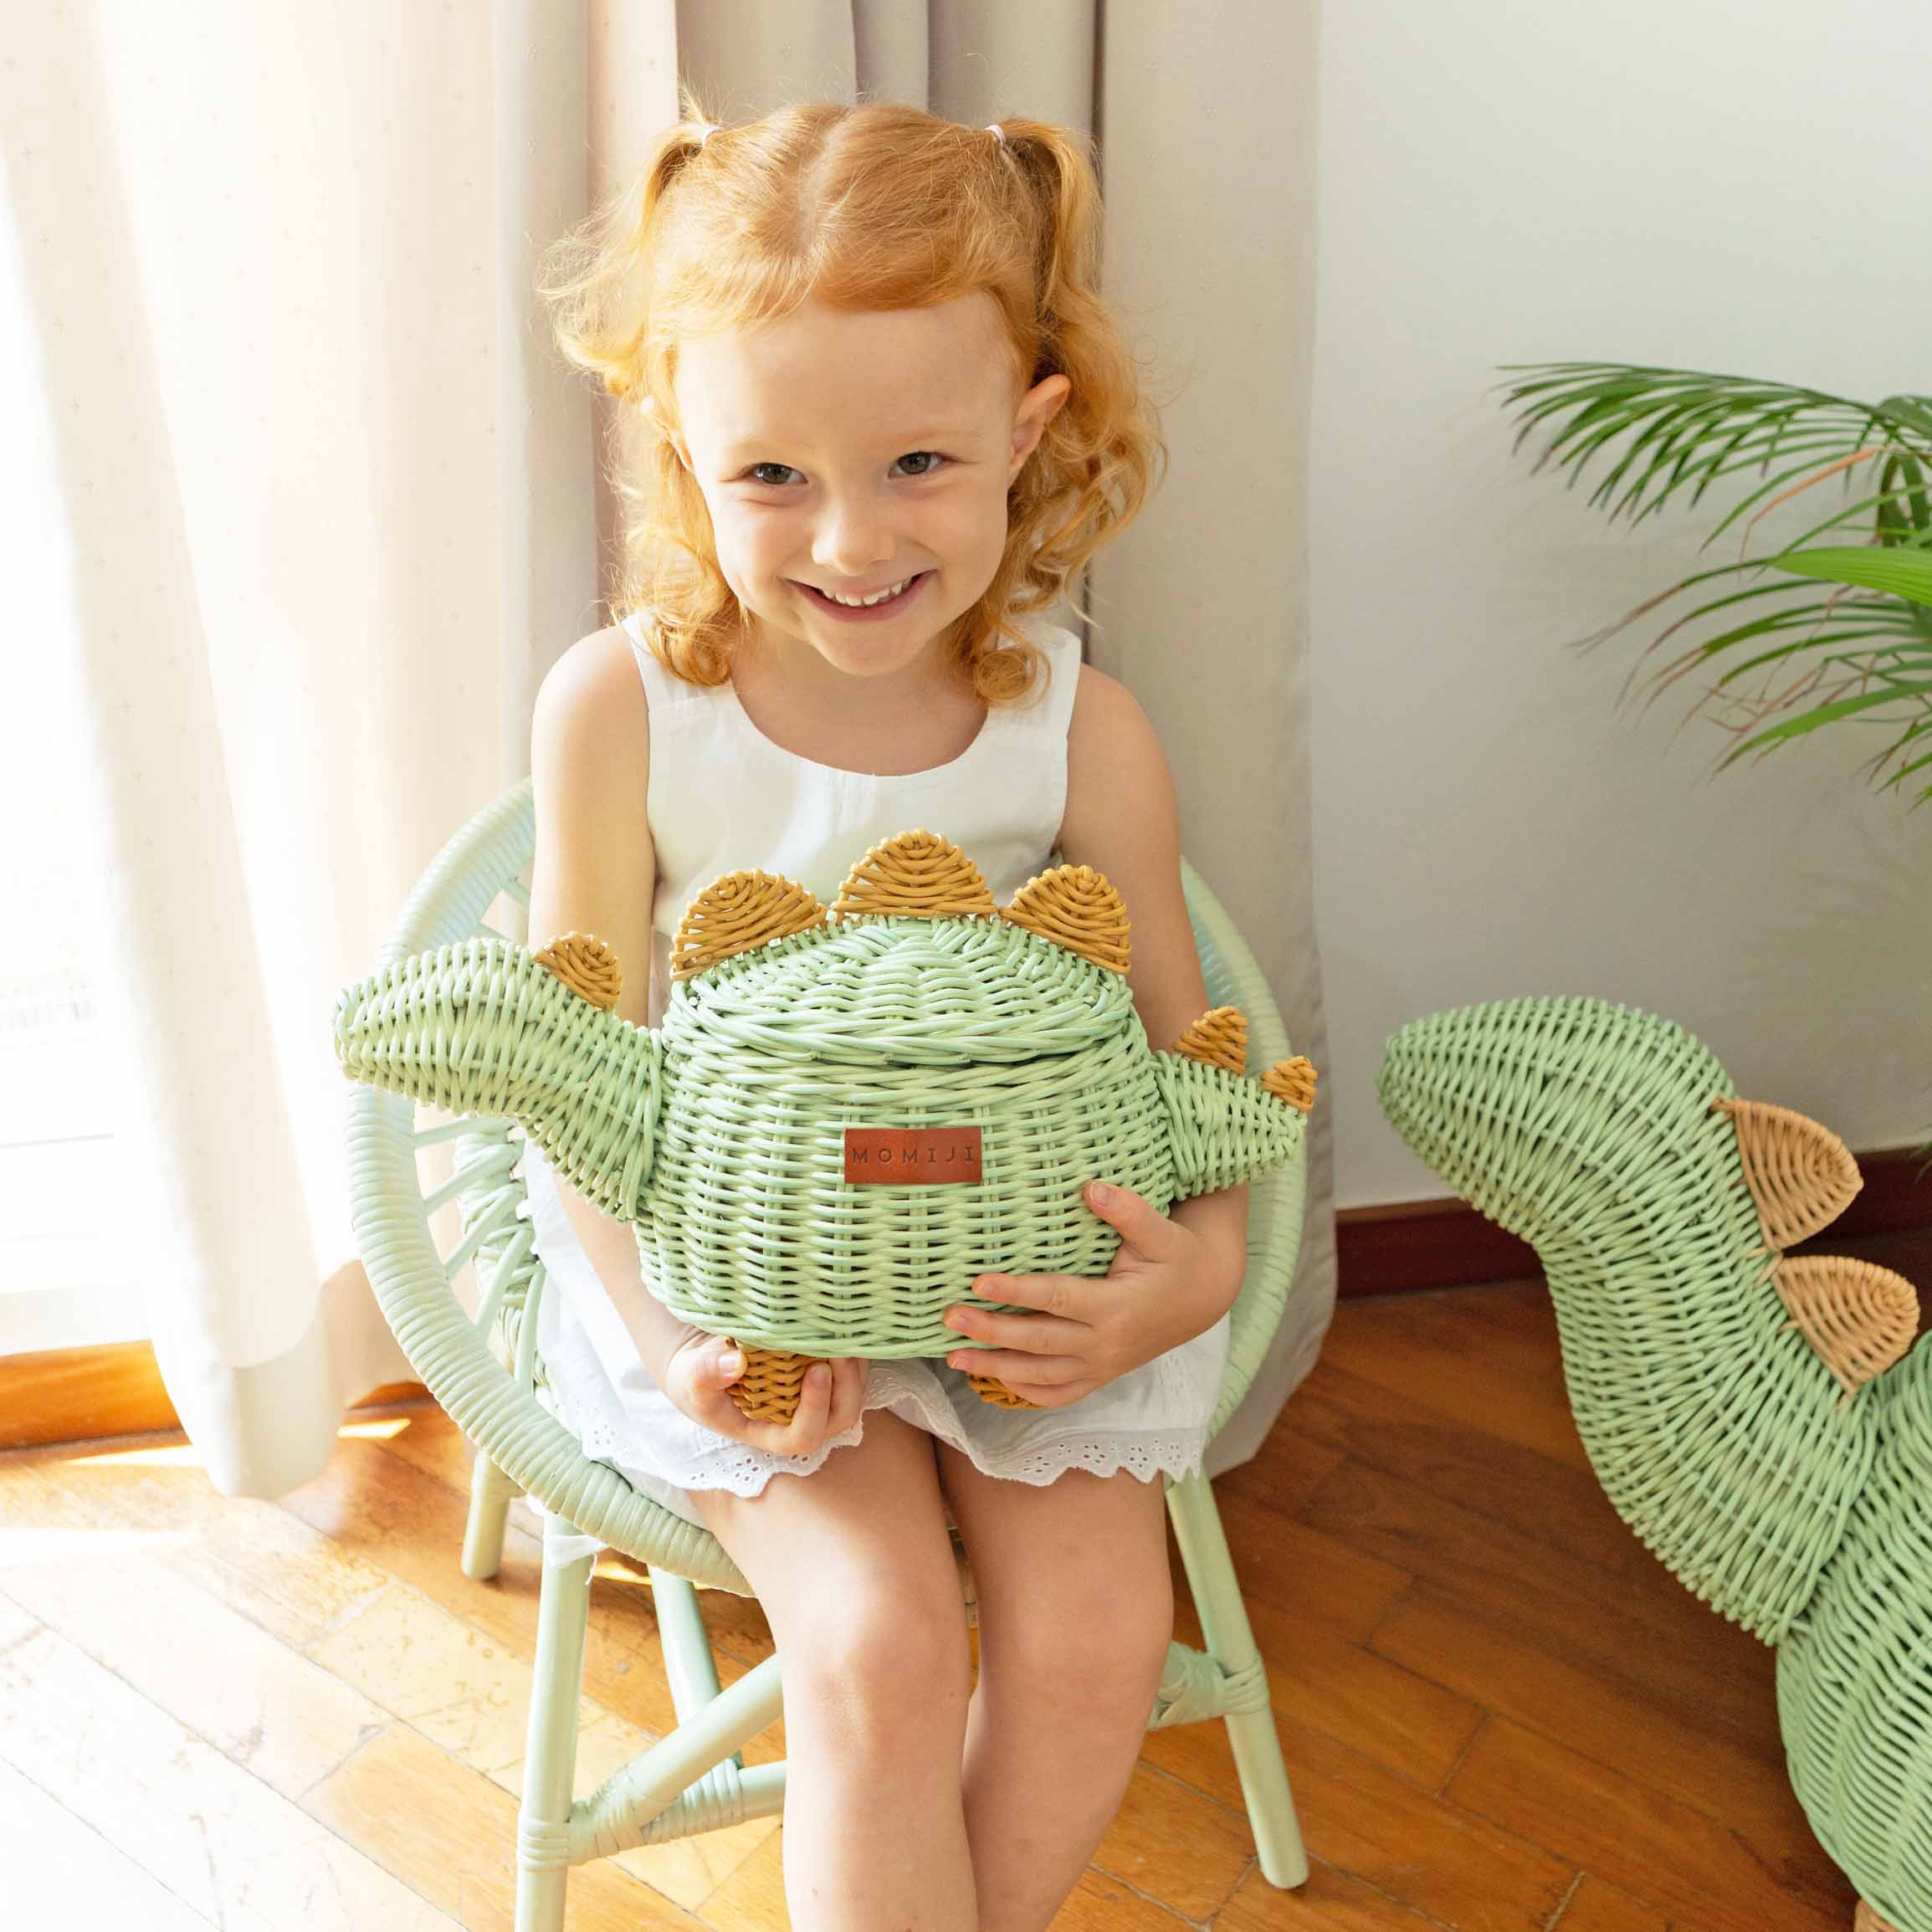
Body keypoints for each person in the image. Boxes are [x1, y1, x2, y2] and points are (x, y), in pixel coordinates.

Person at [521, 90, 1252, 1932]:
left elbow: (1195, 1060)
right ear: (686, 454)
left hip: (1016, 1259)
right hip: (727, 1255)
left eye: (920, 465)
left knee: (1096, 1639)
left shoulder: (1081, 729)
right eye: (771, 475)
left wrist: (1201, 1270)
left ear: (1028, 435)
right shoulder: (622, 710)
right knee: (877, 1644)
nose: (850, 541)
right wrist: (672, 1321)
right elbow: (572, 1068)